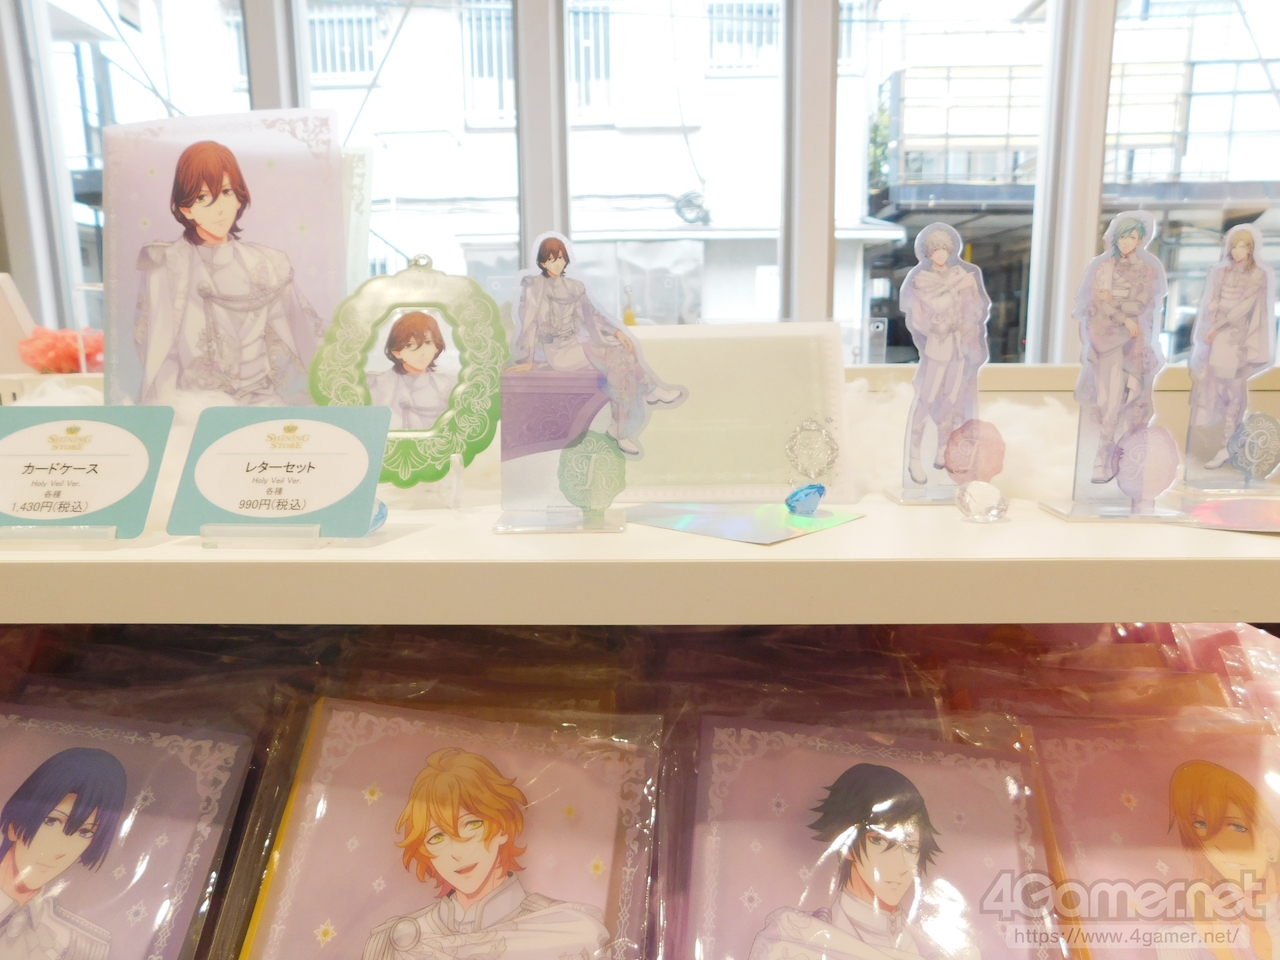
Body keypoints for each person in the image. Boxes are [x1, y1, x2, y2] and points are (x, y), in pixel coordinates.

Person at [363, 747, 609, 960]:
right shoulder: (392, 943)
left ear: (502, 825)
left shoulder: (565, 930)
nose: (457, 853)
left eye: (472, 825)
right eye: (437, 837)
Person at [134, 140, 323, 405]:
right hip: (198, 408)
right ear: (185, 207)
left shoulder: (267, 263)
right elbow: (159, 353)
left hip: (263, 402)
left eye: (225, 192)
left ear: (239, 196)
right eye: (202, 198)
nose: (219, 208)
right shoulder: (167, 267)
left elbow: (305, 335)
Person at [748, 763, 973, 960]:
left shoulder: (941, 948)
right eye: (879, 841)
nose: (900, 866)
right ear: (846, 843)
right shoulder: (792, 939)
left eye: (911, 847)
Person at [508, 235, 682, 456]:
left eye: (560, 258)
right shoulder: (534, 287)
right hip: (558, 353)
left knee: (620, 357)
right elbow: (528, 324)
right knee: (616, 355)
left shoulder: (575, 287)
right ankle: (645, 397)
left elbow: (593, 315)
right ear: (542, 262)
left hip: (577, 344)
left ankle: (623, 425)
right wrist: (527, 360)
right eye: (551, 259)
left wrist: (617, 332)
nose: (557, 263)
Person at [0, 747, 128, 960]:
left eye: (85, 832)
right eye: (51, 821)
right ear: (14, 823)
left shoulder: (79, 946)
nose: (62, 850)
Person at [1156, 760, 1280, 960]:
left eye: (1237, 828)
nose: (1219, 847)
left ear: (1271, 844)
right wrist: (1216, 941)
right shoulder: (1186, 934)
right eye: (1201, 825)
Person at [1073, 214, 1165, 483]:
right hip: (1105, 338)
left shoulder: (1148, 269)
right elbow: (1099, 302)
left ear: (1140, 240)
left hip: (1134, 341)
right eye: (1123, 236)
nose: (1126, 242)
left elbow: (1141, 304)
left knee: (1130, 398)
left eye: (1132, 237)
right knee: (1107, 400)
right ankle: (1103, 454)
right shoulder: (1103, 267)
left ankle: (1119, 457)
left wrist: (1116, 305)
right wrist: (1124, 317)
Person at [900, 226, 990, 485]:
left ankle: (943, 448)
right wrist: (958, 286)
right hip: (937, 346)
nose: (940, 254)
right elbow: (936, 305)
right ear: (928, 253)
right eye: (935, 249)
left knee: (952, 397)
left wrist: (968, 293)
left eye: (944, 249)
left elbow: (975, 308)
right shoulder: (922, 279)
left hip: (959, 345)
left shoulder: (961, 273)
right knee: (927, 398)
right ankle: (914, 456)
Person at [1188, 226, 1275, 469]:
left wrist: (1218, 325)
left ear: (1251, 249)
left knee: (1234, 391)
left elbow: (1244, 308)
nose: (1238, 251)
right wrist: (1212, 321)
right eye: (1234, 246)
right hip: (1216, 338)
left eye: (1243, 246)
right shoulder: (1221, 273)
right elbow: (1212, 299)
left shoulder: (1258, 275)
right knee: (1218, 390)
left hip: (1237, 339)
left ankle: (1228, 444)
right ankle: (1222, 442)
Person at [368, 312, 457, 430]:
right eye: (410, 345)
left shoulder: (451, 385)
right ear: (397, 352)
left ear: (436, 347)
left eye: (428, 342)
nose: (422, 352)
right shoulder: (376, 386)